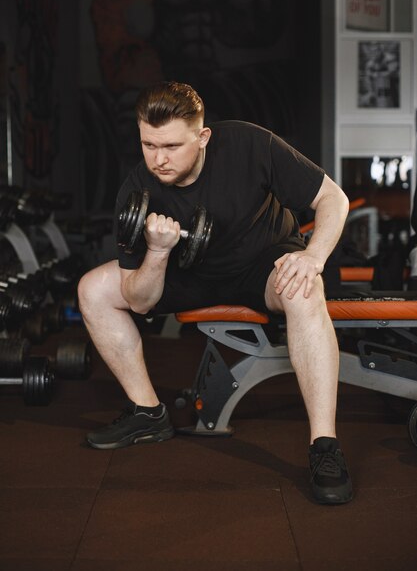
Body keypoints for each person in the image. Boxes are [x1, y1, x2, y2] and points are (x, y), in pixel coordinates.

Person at [78, 81, 352, 505]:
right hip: (187, 271)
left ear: (203, 136)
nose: (159, 159)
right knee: (93, 288)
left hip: (262, 263)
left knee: (303, 289)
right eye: (148, 145)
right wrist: (156, 250)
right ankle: (148, 413)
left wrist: (313, 257)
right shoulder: (137, 190)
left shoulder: (249, 144)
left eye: (170, 145)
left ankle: (325, 446)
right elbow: (141, 301)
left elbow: (332, 198)